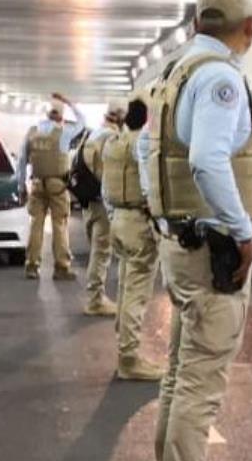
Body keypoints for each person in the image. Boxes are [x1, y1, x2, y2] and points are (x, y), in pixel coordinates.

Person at [139, 0, 252, 461]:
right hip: (212, 249)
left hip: (181, 240)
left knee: (177, 373)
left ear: (198, 23)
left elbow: (151, 154)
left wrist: (163, 215)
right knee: (199, 382)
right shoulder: (220, 78)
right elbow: (208, 159)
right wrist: (242, 233)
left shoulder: (173, 76)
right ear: (248, 28)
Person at [102, 95, 165, 381]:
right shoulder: (144, 144)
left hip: (118, 218)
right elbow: (150, 184)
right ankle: (129, 358)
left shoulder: (114, 143)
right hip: (139, 221)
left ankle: (123, 341)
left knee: (126, 286)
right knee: (136, 293)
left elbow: (105, 189)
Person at [16, 93, 87, 280]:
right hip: (57, 185)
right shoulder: (63, 132)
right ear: (61, 115)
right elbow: (82, 121)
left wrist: (21, 186)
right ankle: (61, 267)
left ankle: (31, 265)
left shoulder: (33, 132)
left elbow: (22, 161)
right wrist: (69, 101)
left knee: (36, 225)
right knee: (59, 224)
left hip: (37, 183)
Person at [79, 101, 126, 316]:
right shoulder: (111, 138)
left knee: (97, 252)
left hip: (89, 202)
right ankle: (95, 300)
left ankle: (95, 296)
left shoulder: (92, 134)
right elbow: (111, 174)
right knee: (101, 253)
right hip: (102, 203)